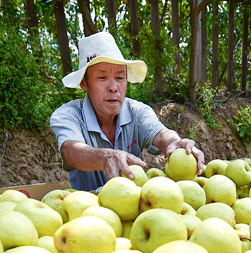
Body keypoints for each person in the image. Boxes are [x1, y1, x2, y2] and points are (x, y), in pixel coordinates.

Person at [50, 32, 204, 193]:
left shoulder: (137, 111)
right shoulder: (68, 115)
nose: (113, 87)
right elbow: (70, 151)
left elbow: (159, 134)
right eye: (102, 77)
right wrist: (107, 157)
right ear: (84, 83)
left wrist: (173, 142)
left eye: (120, 78)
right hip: (88, 212)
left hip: (134, 210)